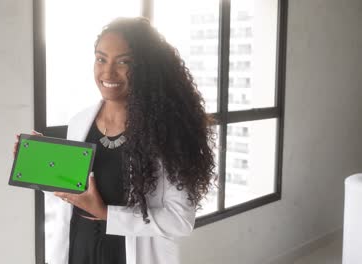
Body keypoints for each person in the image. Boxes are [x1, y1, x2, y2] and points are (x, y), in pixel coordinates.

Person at [13, 17, 216, 264]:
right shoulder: (80, 121)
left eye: (124, 62)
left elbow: (181, 221)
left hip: (129, 255)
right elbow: (75, 190)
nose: (108, 72)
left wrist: (106, 214)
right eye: (101, 59)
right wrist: (41, 162)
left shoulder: (168, 134)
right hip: (78, 250)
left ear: (147, 68)